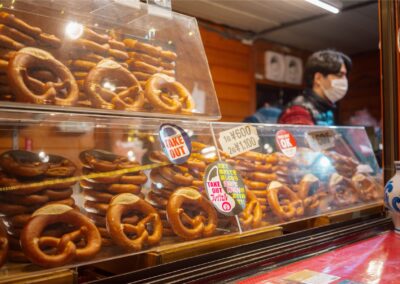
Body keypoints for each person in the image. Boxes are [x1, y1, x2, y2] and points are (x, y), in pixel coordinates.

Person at [278, 49, 352, 125]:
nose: (344, 80)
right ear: (318, 78)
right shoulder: (298, 112)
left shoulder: (327, 109)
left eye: (345, 76)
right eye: (339, 75)